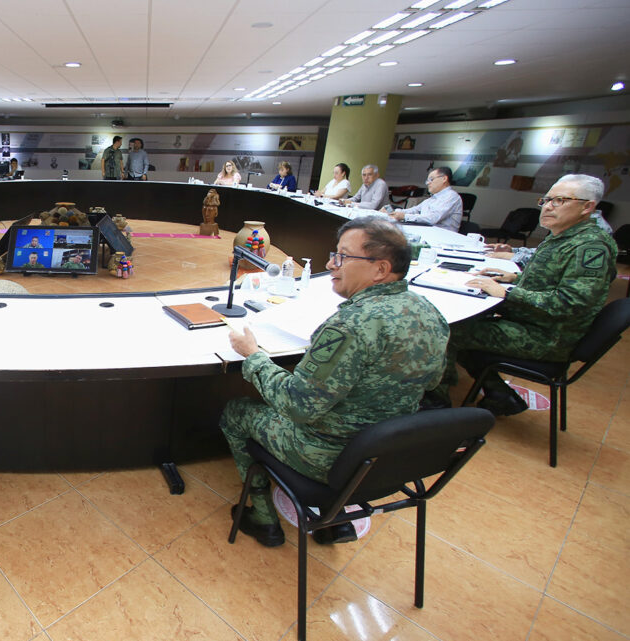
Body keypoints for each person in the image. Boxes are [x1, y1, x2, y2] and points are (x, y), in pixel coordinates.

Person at [221, 215, 447, 547]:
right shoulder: (428, 312)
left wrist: (253, 355)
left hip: (330, 457)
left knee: (237, 411)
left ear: (380, 269)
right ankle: (337, 515)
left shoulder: (351, 325)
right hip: (389, 454)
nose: (331, 263)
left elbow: (296, 406)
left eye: (342, 256)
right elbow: (433, 381)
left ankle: (262, 517)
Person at [424, 175, 616, 416]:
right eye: (546, 200)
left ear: (587, 207)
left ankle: (436, 404)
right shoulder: (564, 236)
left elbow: (572, 303)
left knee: (447, 330)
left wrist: (508, 292)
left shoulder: (590, 247)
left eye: (560, 200)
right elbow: (552, 279)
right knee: (465, 324)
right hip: (533, 321)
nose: (548, 206)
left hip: (547, 336)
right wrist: (513, 278)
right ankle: (501, 396)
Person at [388, 166, 462, 232]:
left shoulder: (451, 196)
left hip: (443, 237)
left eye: (431, 179)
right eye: (427, 181)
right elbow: (414, 210)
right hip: (428, 232)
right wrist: (391, 212)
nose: (428, 183)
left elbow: (432, 218)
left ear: (444, 179)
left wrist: (404, 216)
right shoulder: (433, 198)